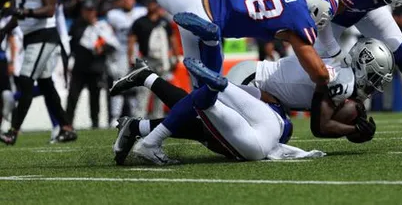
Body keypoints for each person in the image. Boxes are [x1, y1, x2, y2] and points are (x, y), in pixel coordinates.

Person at [110, 17, 385, 164]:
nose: (372, 86)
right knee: (210, 127)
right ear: (363, 64)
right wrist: (355, 130)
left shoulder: (340, 66)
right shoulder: (339, 80)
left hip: (260, 84)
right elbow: (320, 126)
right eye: (373, 77)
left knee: (207, 121)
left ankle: (140, 120)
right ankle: (146, 116)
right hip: (256, 83)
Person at [53, 0, 340, 88]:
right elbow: (318, 74)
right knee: (207, 96)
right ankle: (152, 128)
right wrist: (334, 74)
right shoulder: (300, 21)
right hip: (208, 28)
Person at [124, 57, 328, 164]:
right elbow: (219, 145)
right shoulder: (271, 105)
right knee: (202, 108)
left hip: (261, 129)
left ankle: (141, 122)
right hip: (270, 129)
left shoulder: (260, 98)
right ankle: (141, 126)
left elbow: (216, 143)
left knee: (204, 103)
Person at [0, 0, 76, 145]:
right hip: (29, 35)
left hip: (45, 34)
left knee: (25, 80)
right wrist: (5, 28)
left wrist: (26, 13)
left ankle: (13, 131)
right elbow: (20, 9)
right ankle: (67, 127)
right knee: (45, 84)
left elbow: (50, 10)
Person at [66, 0, 118, 128]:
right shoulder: (77, 26)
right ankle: (67, 123)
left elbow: (112, 45)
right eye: (86, 11)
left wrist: (103, 47)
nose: (89, 14)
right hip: (80, 66)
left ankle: (95, 123)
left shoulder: (103, 26)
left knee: (94, 97)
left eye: (91, 11)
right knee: (73, 96)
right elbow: (74, 44)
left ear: (95, 12)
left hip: (96, 67)